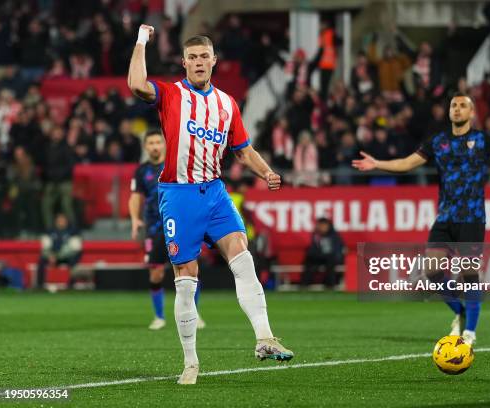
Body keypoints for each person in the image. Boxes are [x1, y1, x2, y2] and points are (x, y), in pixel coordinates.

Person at [128, 25, 293, 385]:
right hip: (179, 194)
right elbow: (136, 83)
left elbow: (243, 149)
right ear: (184, 63)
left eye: (205, 56)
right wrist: (141, 41)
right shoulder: (171, 95)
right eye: (193, 57)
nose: (199, 62)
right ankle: (191, 362)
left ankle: (264, 337)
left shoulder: (227, 103)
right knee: (186, 279)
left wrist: (266, 172)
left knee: (242, 254)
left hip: (215, 192)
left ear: (214, 61)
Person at [352, 92, 490, 346]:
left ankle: (470, 333)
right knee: (431, 271)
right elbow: (408, 163)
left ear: (472, 113)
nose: (457, 109)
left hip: (472, 218)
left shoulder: (482, 139)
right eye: (454, 105)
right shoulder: (438, 141)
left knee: (469, 273)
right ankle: (461, 312)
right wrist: (377, 164)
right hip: (445, 217)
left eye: (463, 105)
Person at [129, 129, 206, 331]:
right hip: (154, 226)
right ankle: (159, 316)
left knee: (190, 269)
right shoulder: (141, 171)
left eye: (158, 142)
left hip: (180, 223)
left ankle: (194, 315)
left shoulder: (176, 164)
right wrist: (135, 219)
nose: (155, 146)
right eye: (151, 143)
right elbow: (135, 197)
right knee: (156, 273)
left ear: (164, 144)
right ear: (146, 147)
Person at [36, 213, 82, 289]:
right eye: (59, 220)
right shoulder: (49, 231)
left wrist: (57, 256)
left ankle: (71, 285)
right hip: (52, 256)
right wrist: (50, 255)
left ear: (66, 221)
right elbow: (45, 247)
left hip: (67, 256)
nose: (61, 222)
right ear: (56, 221)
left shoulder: (73, 232)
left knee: (74, 260)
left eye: (63, 220)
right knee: (41, 261)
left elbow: (75, 248)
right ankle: (40, 285)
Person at [301, 218, 345, 289]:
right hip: (318, 257)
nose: (322, 228)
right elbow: (312, 249)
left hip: (331, 258)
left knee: (330, 262)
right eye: (320, 225)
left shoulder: (334, 236)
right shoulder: (316, 236)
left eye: (323, 226)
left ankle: (330, 285)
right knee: (309, 261)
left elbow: (337, 249)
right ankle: (304, 285)